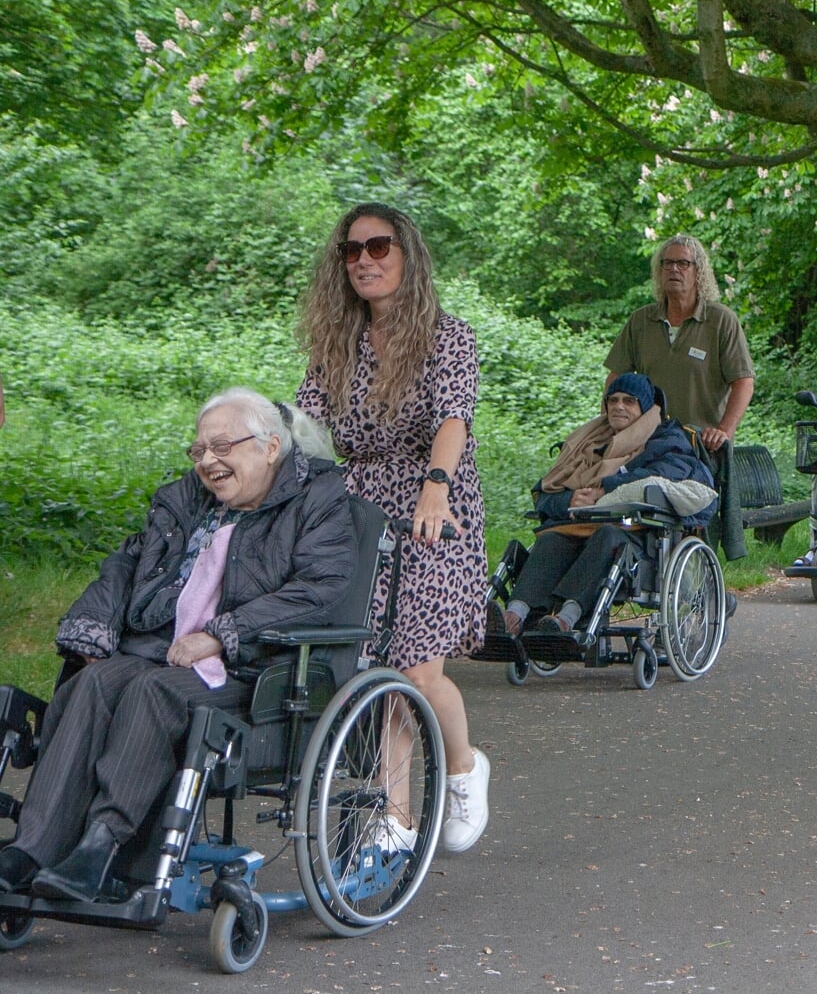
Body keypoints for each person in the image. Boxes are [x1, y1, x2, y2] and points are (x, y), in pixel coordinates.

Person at [0, 389, 352, 899]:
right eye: (200, 450)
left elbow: (320, 588)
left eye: (223, 446)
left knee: (154, 693)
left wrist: (222, 634)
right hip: (160, 649)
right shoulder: (185, 497)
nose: (208, 461)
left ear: (270, 447)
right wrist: (92, 626)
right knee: (93, 682)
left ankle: (103, 844)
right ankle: (32, 849)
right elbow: (126, 564)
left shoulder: (317, 498)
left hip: (255, 669)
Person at [296, 202, 491, 854]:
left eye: (378, 247)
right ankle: (396, 813)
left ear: (406, 255)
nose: (364, 261)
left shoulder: (447, 335)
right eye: (351, 251)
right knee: (374, 665)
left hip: (435, 504)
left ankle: (462, 767)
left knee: (416, 670)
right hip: (360, 505)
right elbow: (307, 430)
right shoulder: (336, 346)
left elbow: (453, 418)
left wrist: (434, 489)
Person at [504, 374, 717, 638]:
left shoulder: (667, 440)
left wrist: (606, 489)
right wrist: (568, 500)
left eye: (629, 401)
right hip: (579, 528)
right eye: (613, 400)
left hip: (639, 535)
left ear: (646, 407)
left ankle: (565, 620)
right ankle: (514, 615)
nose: (618, 406)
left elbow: (665, 476)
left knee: (607, 536)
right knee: (552, 539)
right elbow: (546, 493)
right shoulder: (587, 443)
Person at [604, 233, 756, 452]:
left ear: (698, 272)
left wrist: (723, 431)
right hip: (647, 445)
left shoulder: (720, 320)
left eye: (683, 263)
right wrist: (607, 426)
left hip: (701, 447)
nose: (674, 269)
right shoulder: (641, 321)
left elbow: (743, 382)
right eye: (668, 263)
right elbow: (615, 378)